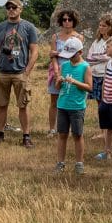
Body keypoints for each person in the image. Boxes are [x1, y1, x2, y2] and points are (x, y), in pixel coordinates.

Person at [0, 0, 39, 148]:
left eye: (14, 7)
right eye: (8, 8)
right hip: (3, 72)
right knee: (2, 104)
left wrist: (27, 71)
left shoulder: (29, 27)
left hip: (20, 72)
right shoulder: (0, 27)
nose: (11, 10)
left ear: (20, 9)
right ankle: (0, 133)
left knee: (23, 105)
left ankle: (26, 136)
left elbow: (34, 50)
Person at [53, 37, 92, 174]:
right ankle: (60, 162)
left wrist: (74, 82)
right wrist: (58, 81)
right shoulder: (64, 66)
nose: (69, 58)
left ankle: (79, 163)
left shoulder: (85, 67)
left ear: (80, 52)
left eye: (72, 55)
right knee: (62, 134)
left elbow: (89, 87)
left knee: (77, 135)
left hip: (77, 106)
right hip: (62, 104)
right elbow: (58, 87)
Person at [47, 9, 84, 137]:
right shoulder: (55, 37)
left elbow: (78, 55)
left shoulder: (79, 37)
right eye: (64, 20)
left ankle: (70, 128)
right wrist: (57, 72)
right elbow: (52, 56)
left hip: (72, 69)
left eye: (70, 19)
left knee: (70, 98)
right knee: (54, 100)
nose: (67, 22)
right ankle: (52, 129)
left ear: (74, 21)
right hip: (56, 68)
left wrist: (57, 53)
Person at [86, 13, 112, 140]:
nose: (101, 28)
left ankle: (108, 131)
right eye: (100, 25)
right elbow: (89, 57)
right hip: (95, 74)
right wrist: (100, 57)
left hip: (106, 75)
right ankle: (102, 130)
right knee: (99, 104)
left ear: (110, 27)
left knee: (107, 103)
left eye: (104, 26)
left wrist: (97, 57)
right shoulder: (97, 41)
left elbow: (108, 57)